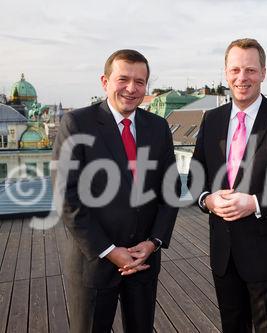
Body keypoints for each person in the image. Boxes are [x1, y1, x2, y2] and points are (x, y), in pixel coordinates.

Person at [189, 38, 267, 332]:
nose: (242, 78)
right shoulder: (212, 119)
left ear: (263, 73)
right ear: (225, 72)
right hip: (223, 251)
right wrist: (207, 200)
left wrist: (255, 203)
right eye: (235, 70)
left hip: (266, 253)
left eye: (250, 70)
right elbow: (196, 175)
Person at [52, 49, 180, 333]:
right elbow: (67, 196)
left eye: (140, 81)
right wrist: (109, 251)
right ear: (105, 81)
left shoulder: (158, 127)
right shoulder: (76, 124)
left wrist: (153, 242)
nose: (132, 88)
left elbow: (170, 189)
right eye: (123, 79)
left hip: (144, 260)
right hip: (94, 263)